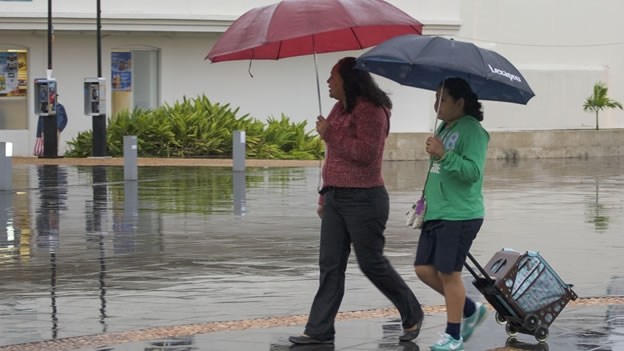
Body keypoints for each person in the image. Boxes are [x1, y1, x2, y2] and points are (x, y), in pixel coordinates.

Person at [289, 57, 424, 345]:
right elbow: (334, 157)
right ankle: (319, 329)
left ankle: (412, 311)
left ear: (348, 79)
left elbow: (366, 153)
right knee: (330, 264)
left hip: (364, 198)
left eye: (332, 76)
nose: (328, 82)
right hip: (336, 197)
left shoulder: (372, 110)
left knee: (371, 262)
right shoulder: (340, 108)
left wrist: (330, 134)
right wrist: (325, 194)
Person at [413, 77, 489, 351]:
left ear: (460, 102)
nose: (437, 104)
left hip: (460, 214)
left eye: (443, 99)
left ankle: (453, 335)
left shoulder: (473, 131)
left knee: (449, 273)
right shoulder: (445, 127)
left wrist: (444, 154)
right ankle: (469, 309)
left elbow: (473, 173)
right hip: (437, 212)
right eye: (435, 98)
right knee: (423, 268)